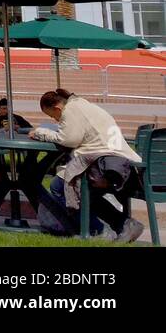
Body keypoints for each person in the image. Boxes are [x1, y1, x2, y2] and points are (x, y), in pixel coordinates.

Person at [30, 89, 144, 242]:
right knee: (85, 194)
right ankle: (124, 224)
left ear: (57, 108)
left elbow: (69, 140)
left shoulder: (70, 110)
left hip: (106, 166)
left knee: (59, 186)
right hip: (121, 164)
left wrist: (40, 133)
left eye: (53, 116)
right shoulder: (83, 105)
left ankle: (97, 231)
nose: (56, 120)